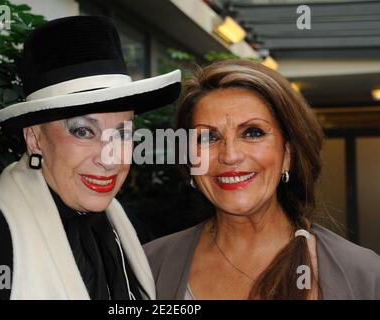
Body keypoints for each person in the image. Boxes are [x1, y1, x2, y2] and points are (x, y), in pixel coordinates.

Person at [0, 16, 181, 299]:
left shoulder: (131, 231)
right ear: (35, 139)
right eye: (84, 131)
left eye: (122, 134)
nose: (110, 159)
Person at [144, 59, 380, 300]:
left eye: (253, 133)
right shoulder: (148, 267)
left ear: (288, 153)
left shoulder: (363, 275)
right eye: (208, 138)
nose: (230, 156)